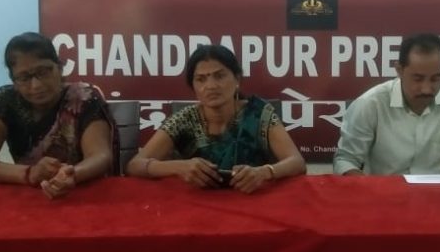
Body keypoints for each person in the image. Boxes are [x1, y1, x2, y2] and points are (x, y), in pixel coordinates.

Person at [126, 44, 305, 193]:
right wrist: (179, 167)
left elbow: (297, 162)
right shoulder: (184, 120)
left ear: (237, 79)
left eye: (219, 76)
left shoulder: (258, 114)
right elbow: (134, 166)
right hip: (199, 208)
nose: (211, 86)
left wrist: (265, 172)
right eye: (201, 79)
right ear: (193, 86)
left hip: (253, 202)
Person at [0, 32, 116, 199]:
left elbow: (101, 156)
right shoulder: (5, 100)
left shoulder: (84, 98)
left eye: (43, 72)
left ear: (59, 68)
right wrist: (29, 174)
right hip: (28, 195)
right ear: (14, 81)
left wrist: (72, 174)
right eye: (24, 78)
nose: (35, 85)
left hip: (82, 192)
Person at [333, 33, 440, 176]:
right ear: (399, 70)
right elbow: (345, 161)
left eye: (435, 79)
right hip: (385, 194)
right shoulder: (370, 104)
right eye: (418, 79)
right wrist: (367, 189)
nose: (426, 88)